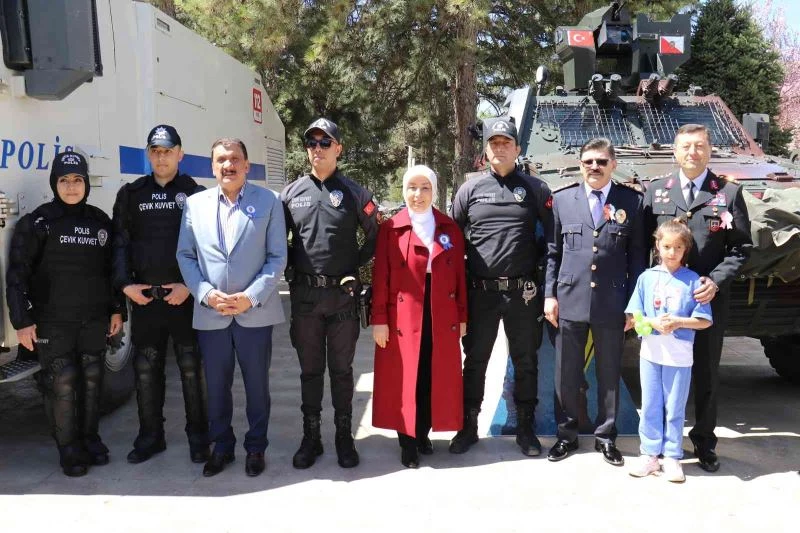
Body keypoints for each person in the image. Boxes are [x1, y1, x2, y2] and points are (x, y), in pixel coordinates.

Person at [6, 152, 124, 477]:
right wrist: (21, 320)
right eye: (64, 180)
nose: (71, 187)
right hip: (52, 321)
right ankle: (68, 447)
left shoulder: (101, 222)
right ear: (54, 183)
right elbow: (17, 274)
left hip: (94, 319)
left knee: (91, 378)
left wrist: (118, 310)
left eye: (77, 180)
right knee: (62, 381)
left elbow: (115, 272)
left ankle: (90, 438)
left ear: (86, 183)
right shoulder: (38, 223)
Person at [643, 123, 752, 473]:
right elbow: (644, 247)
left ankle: (704, 441)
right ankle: (657, 447)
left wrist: (716, 282)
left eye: (700, 146)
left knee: (706, 373)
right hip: (662, 304)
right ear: (675, 151)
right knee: (659, 375)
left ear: (709, 150)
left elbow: (740, 248)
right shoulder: (658, 191)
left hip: (705, 301)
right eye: (686, 146)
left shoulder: (729, 194)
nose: (693, 152)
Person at [176, 138, 286, 478]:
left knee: (256, 387)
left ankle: (256, 448)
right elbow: (186, 255)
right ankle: (221, 446)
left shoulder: (268, 201)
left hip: (254, 313)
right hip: (212, 313)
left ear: (247, 164)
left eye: (235, 158)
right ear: (212, 167)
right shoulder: (195, 205)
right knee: (216, 387)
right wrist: (206, 294)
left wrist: (250, 297)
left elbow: (277, 257)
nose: (229, 165)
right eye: (221, 159)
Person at [449, 117, 552, 457]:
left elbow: (552, 241)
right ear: (486, 150)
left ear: (517, 148)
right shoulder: (470, 190)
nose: (500, 148)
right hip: (481, 293)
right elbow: (452, 242)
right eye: (494, 143)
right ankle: (468, 427)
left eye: (506, 142)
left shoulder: (536, 189)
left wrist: (545, 285)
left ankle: (525, 429)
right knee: (475, 361)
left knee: (526, 362)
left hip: (523, 293)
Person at [281, 118, 378, 469]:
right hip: (306, 299)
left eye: (325, 143)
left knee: (341, 370)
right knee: (310, 372)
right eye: (312, 143)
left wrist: (357, 272)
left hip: (342, 300)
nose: (318, 149)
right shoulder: (290, 194)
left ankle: (342, 438)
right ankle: (311, 439)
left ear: (338, 148)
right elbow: (278, 242)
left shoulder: (355, 193)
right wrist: (290, 269)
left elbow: (375, 236)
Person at [544, 137, 646, 466]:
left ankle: (606, 437)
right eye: (588, 161)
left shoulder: (631, 202)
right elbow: (552, 254)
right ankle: (566, 435)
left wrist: (636, 304)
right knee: (567, 374)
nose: (594, 167)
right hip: (570, 298)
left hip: (612, 301)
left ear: (613, 165)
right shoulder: (562, 201)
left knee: (608, 372)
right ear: (580, 164)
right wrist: (549, 295)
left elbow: (638, 259)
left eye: (601, 161)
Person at [112, 124, 209, 465]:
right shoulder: (131, 193)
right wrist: (126, 287)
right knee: (145, 369)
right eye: (156, 151)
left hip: (183, 299)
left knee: (191, 369)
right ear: (148, 155)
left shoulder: (197, 194)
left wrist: (190, 287)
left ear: (180, 154)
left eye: (168, 151)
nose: (162, 157)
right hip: (147, 300)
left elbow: (206, 251)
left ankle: (199, 437)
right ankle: (150, 436)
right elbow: (120, 244)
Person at [371, 165, 467, 468]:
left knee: (431, 372)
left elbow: (460, 277)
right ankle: (407, 440)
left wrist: (462, 316)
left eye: (425, 187)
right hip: (402, 314)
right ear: (404, 191)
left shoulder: (449, 227)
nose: (418, 194)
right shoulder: (391, 228)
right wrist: (379, 320)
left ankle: (423, 431)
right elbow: (381, 277)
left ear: (434, 192)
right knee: (404, 376)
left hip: (440, 311)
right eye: (412, 187)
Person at [625, 219, 712, 483]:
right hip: (651, 354)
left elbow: (705, 320)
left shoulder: (694, 281)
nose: (671, 252)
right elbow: (632, 318)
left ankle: (672, 456)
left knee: (674, 407)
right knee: (650, 404)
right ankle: (650, 454)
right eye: (666, 246)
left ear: (686, 249)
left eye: (677, 247)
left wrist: (678, 322)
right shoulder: (646, 278)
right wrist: (651, 322)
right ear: (657, 246)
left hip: (680, 356)